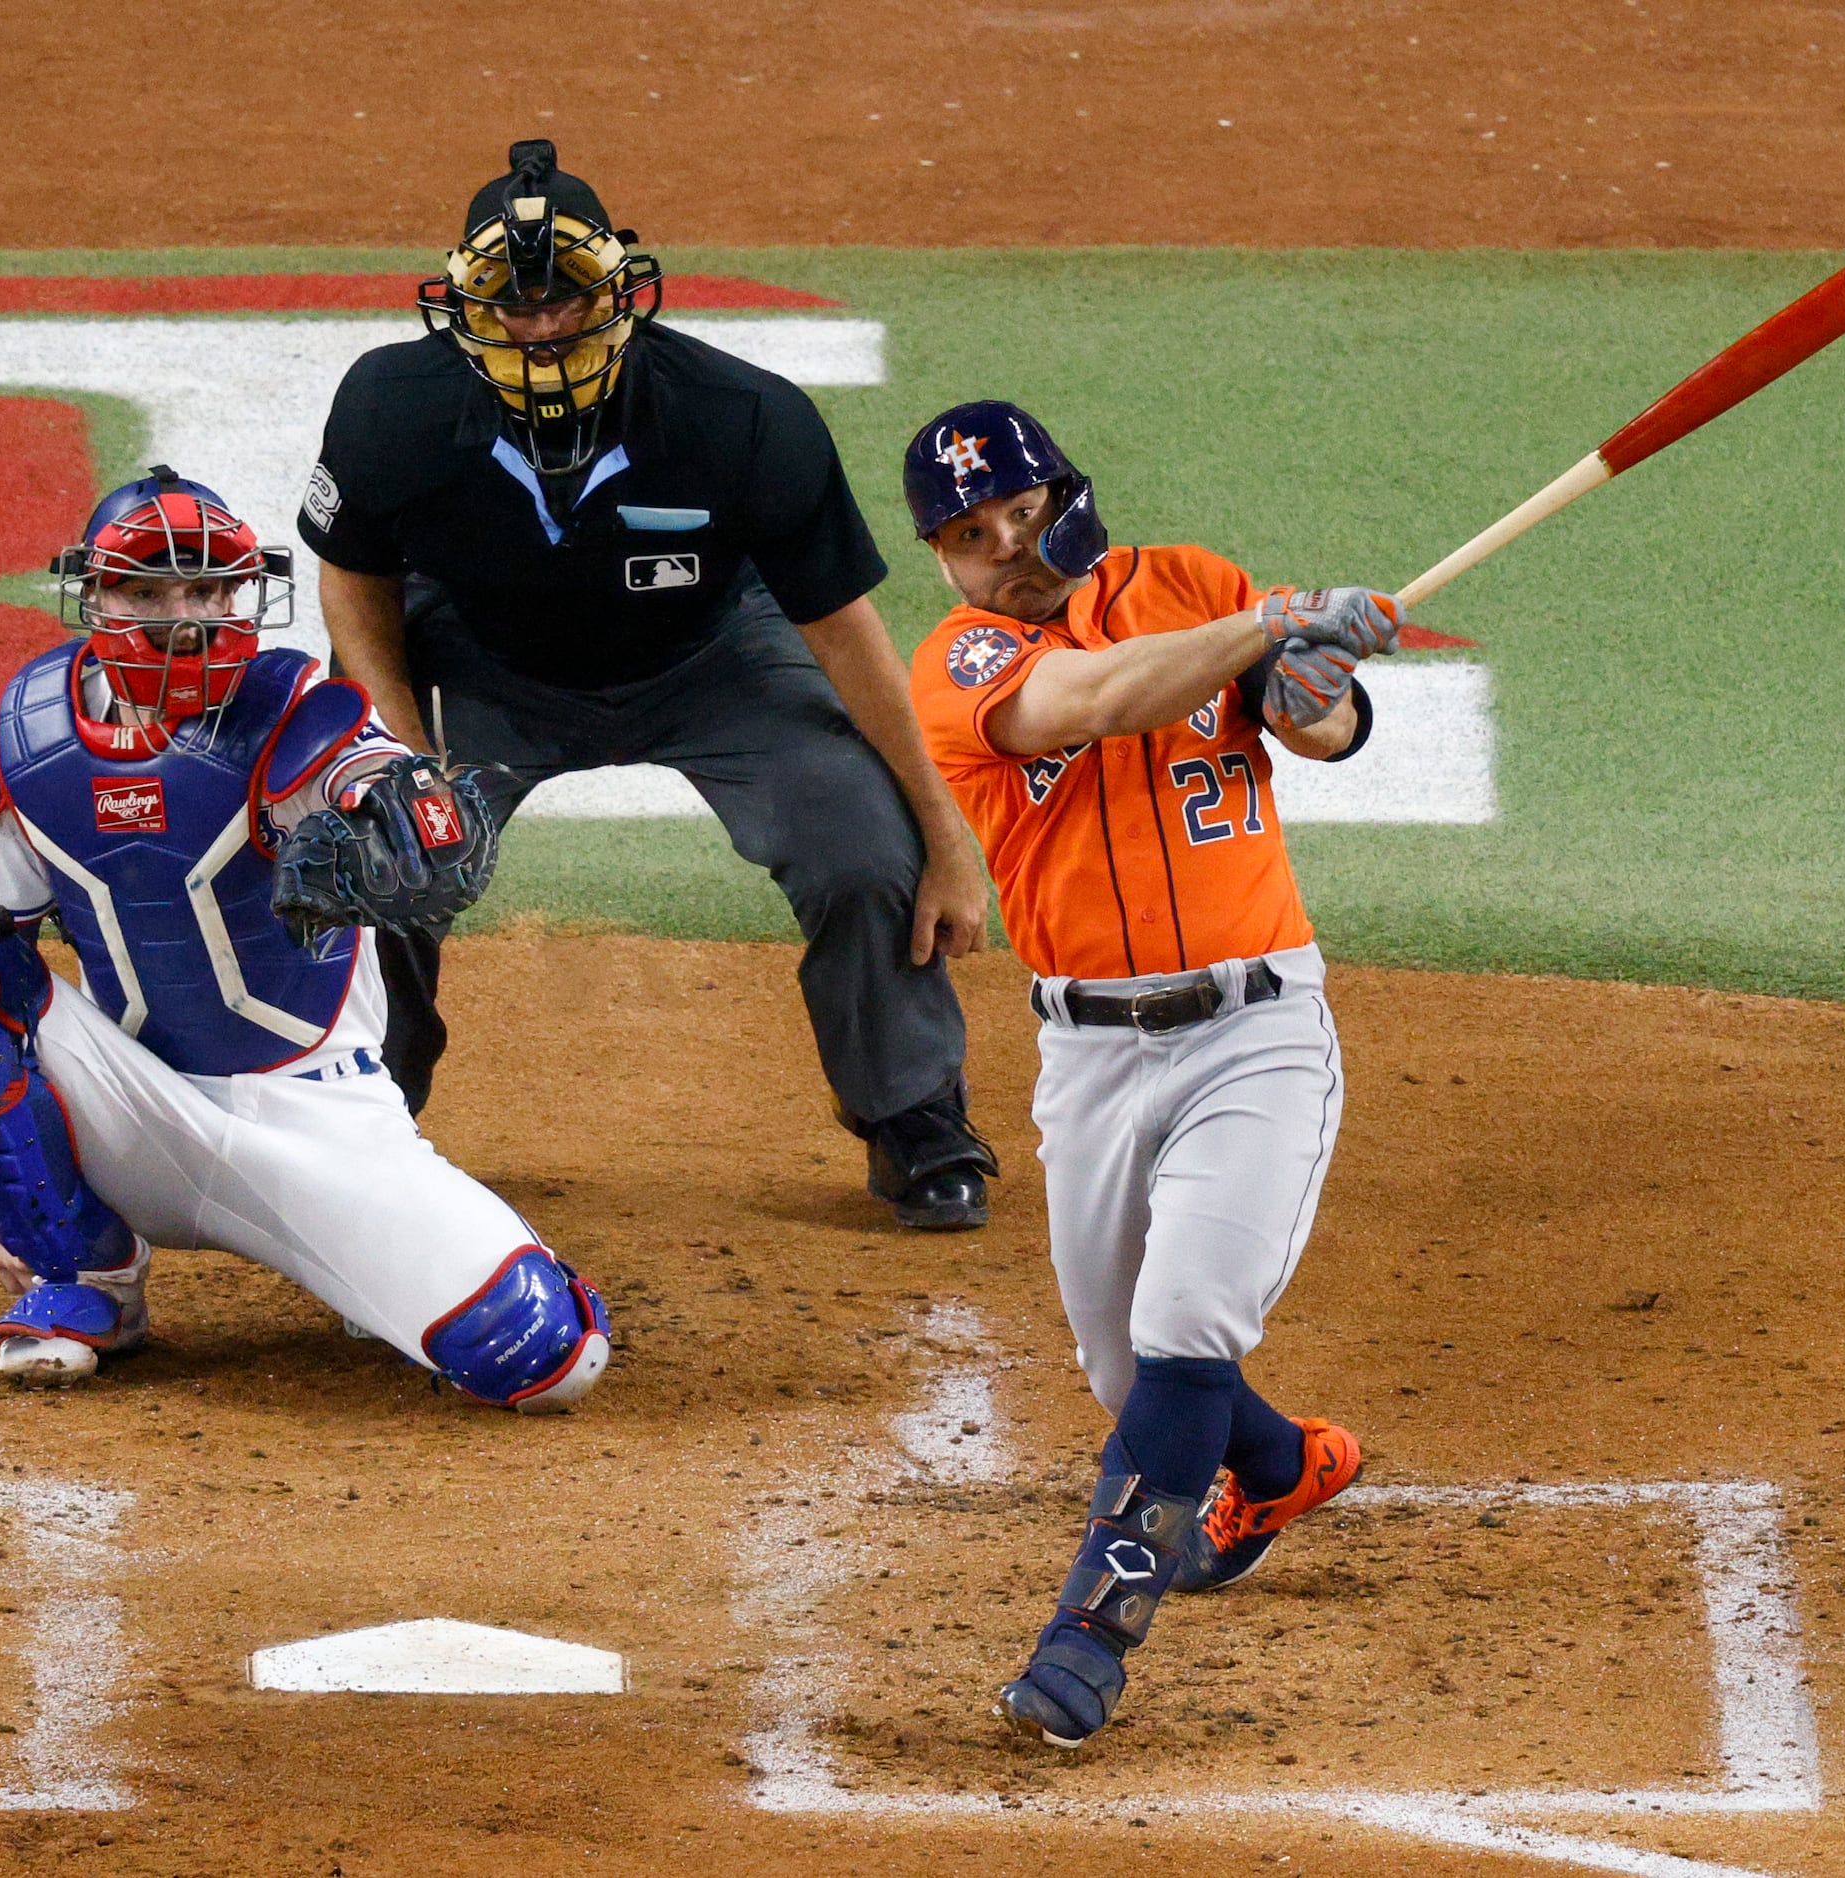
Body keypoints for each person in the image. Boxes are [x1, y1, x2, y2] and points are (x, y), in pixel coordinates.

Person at [301, 137, 1002, 1231]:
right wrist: (389, 756)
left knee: (860, 842)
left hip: (709, 657)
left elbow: (841, 630)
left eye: (566, 301)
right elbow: (352, 578)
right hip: (485, 660)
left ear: (621, 292)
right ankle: (366, 1121)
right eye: (512, 305)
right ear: (463, 308)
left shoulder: (741, 418)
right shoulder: (389, 406)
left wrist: (943, 833)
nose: (541, 327)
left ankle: (911, 1113)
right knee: (372, 849)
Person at [0, 464, 611, 1409]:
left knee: (546, 1361)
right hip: (134, 1109)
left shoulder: (292, 709)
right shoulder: (25, 734)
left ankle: (365, 1260)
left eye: (212, 587)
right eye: (148, 588)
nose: (187, 615)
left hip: (314, 1116)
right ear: (94, 597)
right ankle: (84, 1277)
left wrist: (412, 813)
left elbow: (382, 782)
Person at [901, 402, 1391, 1746]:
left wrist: (1315, 685)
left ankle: (1088, 1638)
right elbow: (1105, 699)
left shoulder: (1195, 583)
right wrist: (1272, 625)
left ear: (1064, 489)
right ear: (943, 561)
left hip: (1256, 1032)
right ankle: (1283, 1469)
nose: (1003, 546)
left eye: (1015, 509)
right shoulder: (959, 662)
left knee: (1184, 1332)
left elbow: (1323, 730)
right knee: (1130, 1377)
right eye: (966, 536)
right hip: (1091, 1055)